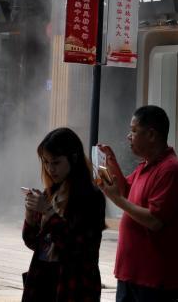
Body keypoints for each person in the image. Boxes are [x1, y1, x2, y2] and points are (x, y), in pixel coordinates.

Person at [98, 105, 178, 302]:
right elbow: (127, 191)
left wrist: (118, 201)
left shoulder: (170, 169)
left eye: (133, 131)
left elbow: (155, 220)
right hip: (131, 273)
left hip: (154, 278)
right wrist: (111, 161)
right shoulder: (145, 166)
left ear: (151, 135)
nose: (129, 136)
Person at [22, 127, 106, 302]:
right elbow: (34, 244)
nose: (50, 169)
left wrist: (48, 212)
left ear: (73, 158)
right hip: (43, 280)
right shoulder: (50, 192)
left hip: (73, 285)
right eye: (46, 162)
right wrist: (30, 216)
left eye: (56, 162)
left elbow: (77, 247)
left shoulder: (91, 197)